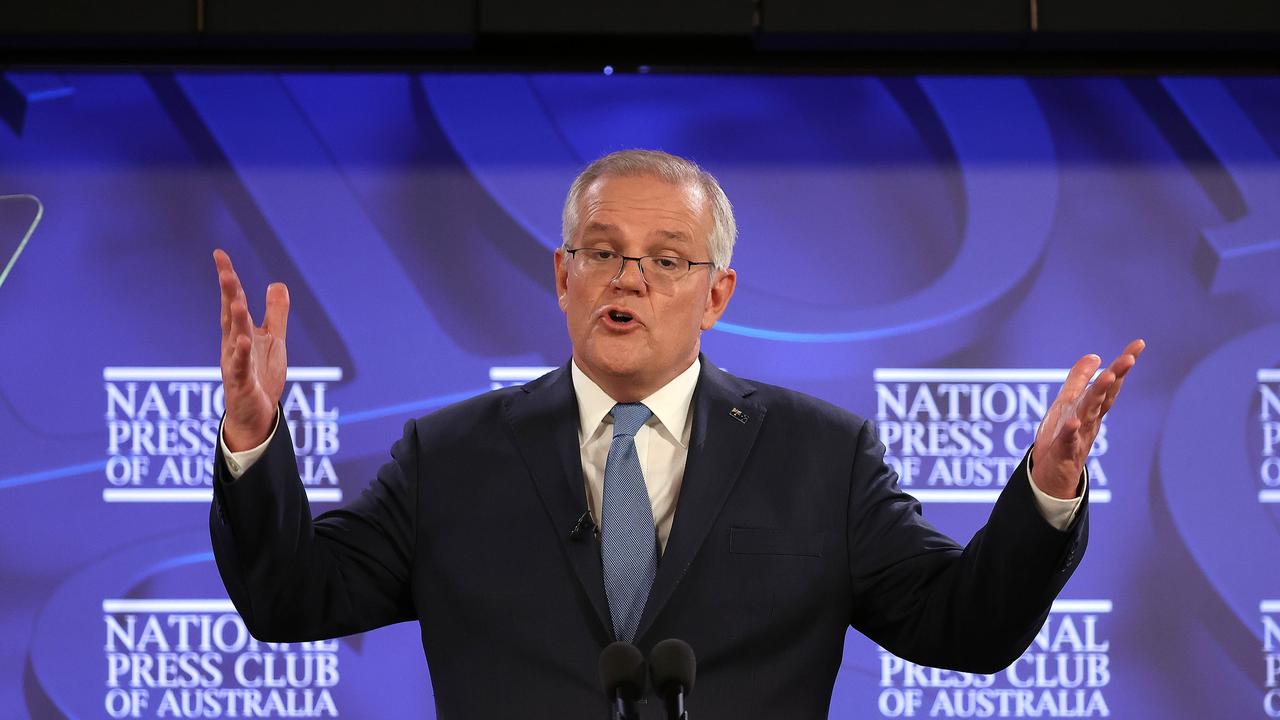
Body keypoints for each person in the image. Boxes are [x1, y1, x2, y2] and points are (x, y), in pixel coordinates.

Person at [210, 149, 1144, 719]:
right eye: (603, 253)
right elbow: (292, 600)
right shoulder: (449, 457)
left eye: (665, 261)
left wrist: (1047, 492)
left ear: (717, 295)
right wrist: (254, 443)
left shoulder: (821, 457)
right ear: (562, 274)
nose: (629, 280)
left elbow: (965, 625)